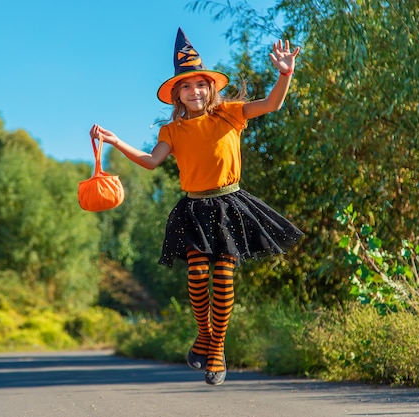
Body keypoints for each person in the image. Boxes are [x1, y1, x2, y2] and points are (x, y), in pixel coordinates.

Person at [89, 27, 303, 386]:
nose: (194, 91)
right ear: (177, 95)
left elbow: (271, 104)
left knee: (222, 278)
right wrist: (115, 140)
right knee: (197, 279)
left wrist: (285, 74)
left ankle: (215, 349)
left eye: (200, 84)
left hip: (230, 205)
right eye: (185, 87)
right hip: (195, 209)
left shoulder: (231, 115)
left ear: (211, 87)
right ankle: (203, 334)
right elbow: (151, 161)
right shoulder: (171, 132)